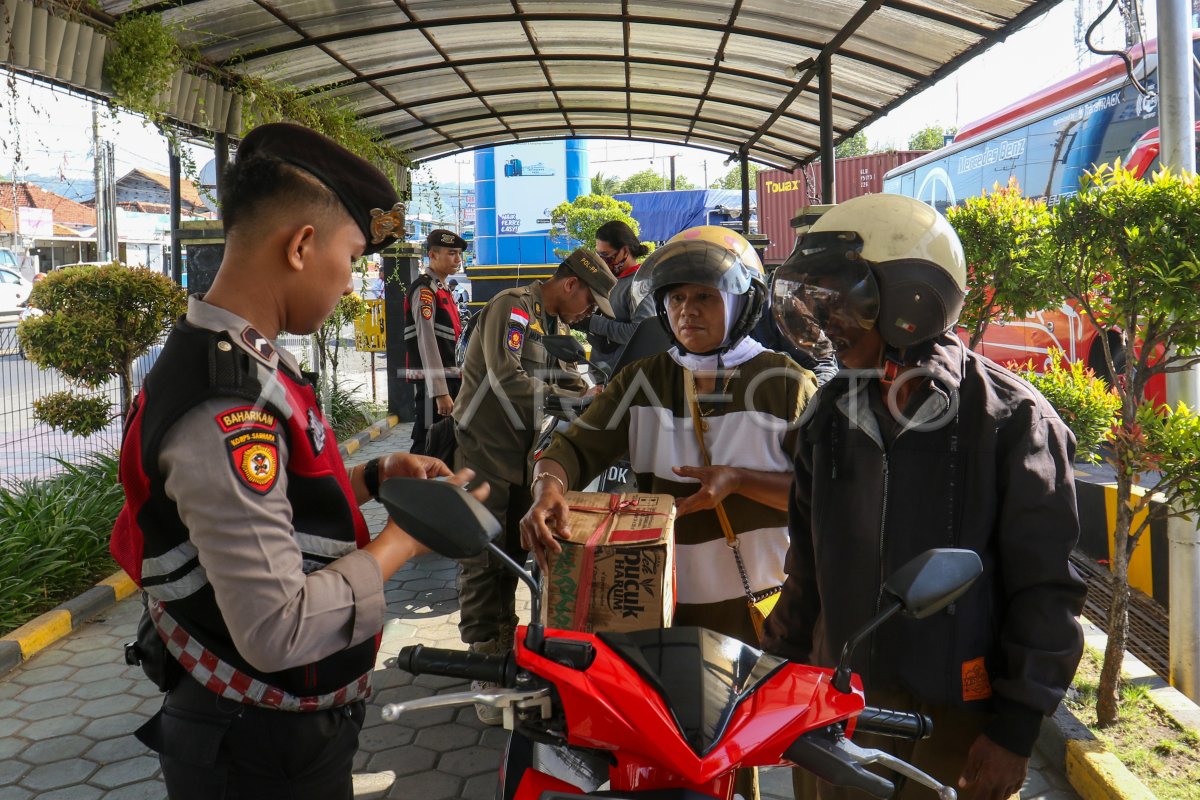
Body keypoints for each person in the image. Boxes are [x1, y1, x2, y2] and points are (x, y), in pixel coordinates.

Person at [109, 122, 487, 800]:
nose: (351, 284)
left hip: (272, 730)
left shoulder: (242, 362)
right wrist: (406, 539)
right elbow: (276, 628)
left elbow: (264, 504)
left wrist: (375, 477)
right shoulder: (227, 404)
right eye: (351, 257)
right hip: (254, 747)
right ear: (302, 245)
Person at [761, 194, 1086, 800]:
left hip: (955, 724)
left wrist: (1016, 731)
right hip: (836, 707)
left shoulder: (1011, 421)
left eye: (840, 300)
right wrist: (778, 671)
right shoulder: (829, 415)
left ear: (908, 299)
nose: (826, 322)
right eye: (818, 302)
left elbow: (1045, 587)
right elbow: (805, 566)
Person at [452, 246, 615, 724]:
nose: (589, 314)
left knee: (519, 550)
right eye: (590, 302)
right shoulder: (513, 306)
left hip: (525, 453)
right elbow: (507, 377)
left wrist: (592, 393)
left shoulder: (556, 325)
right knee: (485, 555)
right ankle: (486, 659)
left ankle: (510, 646)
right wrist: (576, 397)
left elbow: (562, 376)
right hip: (485, 448)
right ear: (570, 284)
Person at [405, 228, 467, 455]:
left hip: (452, 380)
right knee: (427, 446)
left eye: (459, 253)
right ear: (432, 255)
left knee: (447, 446)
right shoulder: (425, 291)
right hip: (435, 385)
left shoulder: (443, 290)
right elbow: (427, 342)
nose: (458, 259)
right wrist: (440, 392)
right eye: (451, 253)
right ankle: (409, 489)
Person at [585, 220, 655, 367]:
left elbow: (641, 334)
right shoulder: (612, 281)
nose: (602, 262)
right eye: (599, 256)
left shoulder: (640, 285)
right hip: (606, 374)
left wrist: (592, 323)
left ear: (625, 251)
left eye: (606, 255)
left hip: (628, 376)